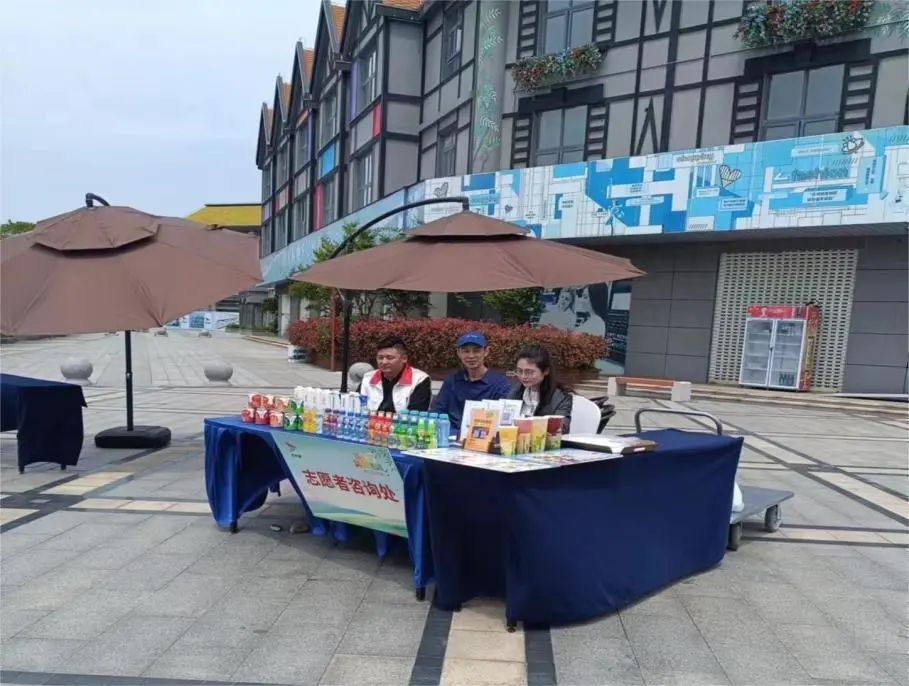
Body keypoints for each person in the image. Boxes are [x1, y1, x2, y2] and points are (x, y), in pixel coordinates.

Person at [432, 332, 512, 430]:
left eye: (476, 351)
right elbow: (437, 411)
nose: (471, 356)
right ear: (458, 353)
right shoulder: (452, 380)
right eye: (466, 351)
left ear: (486, 351)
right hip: (449, 435)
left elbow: (502, 419)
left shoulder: (500, 384)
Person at [508, 344, 574, 432]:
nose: (523, 376)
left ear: (546, 371)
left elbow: (562, 428)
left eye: (529, 372)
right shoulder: (515, 392)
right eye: (519, 371)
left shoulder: (561, 398)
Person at [360, 336, 431, 413]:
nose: (384, 362)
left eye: (389, 358)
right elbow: (358, 407)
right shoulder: (367, 378)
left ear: (404, 358)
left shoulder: (419, 379)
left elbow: (415, 415)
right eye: (380, 358)